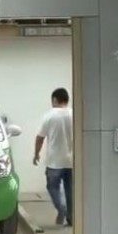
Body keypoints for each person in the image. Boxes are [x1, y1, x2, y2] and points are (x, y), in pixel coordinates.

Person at [33, 88, 73, 227]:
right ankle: (71, 218)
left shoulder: (49, 116)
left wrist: (36, 154)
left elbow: (40, 138)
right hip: (72, 161)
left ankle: (62, 210)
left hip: (54, 161)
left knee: (52, 187)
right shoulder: (75, 114)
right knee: (70, 189)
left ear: (55, 99)